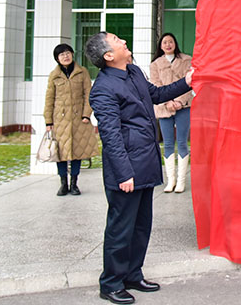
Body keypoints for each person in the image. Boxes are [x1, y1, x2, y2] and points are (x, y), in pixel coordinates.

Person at [86, 31, 193, 305]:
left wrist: (187, 82)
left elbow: (156, 94)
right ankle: (111, 283)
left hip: (145, 160)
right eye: (116, 40)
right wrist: (124, 173)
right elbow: (110, 136)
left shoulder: (133, 72)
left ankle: (133, 274)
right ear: (109, 55)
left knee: (141, 225)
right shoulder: (103, 88)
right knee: (121, 228)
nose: (123, 41)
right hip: (127, 169)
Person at [44, 43, 99, 196]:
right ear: (57, 58)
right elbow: (49, 99)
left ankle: (74, 183)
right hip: (59, 120)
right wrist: (48, 121)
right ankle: (63, 183)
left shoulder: (82, 72)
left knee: (77, 152)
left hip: (79, 119)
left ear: (72, 54)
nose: (66, 56)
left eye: (68, 53)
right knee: (60, 153)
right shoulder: (54, 75)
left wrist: (86, 114)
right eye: (62, 54)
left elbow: (89, 94)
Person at [149, 32, 193, 194]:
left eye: (171, 42)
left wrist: (180, 102)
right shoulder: (155, 64)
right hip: (164, 107)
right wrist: (167, 102)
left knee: (181, 142)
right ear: (160, 46)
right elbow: (155, 84)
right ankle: (170, 180)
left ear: (175, 44)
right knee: (167, 143)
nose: (168, 45)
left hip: (184, 106)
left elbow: (190, 82)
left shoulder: (186, 60)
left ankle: (181, 181)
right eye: (165, 42)